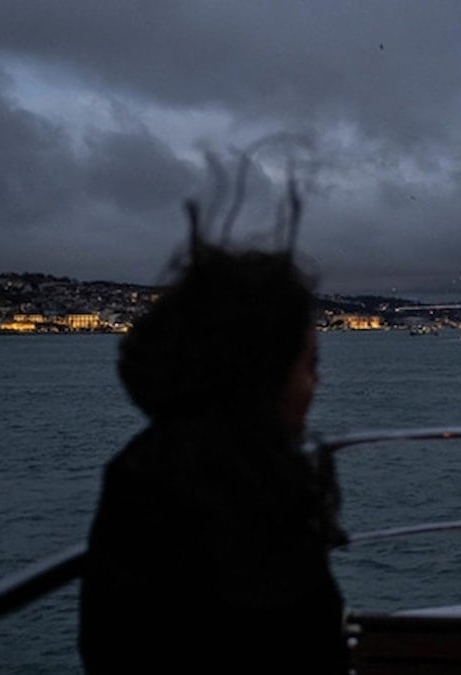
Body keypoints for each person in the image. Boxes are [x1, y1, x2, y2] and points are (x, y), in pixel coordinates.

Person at [78, 165, 347, 672]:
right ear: (261, 373)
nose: (317, 385)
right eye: (310, 366)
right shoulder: (244, 492)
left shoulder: (147, 471)